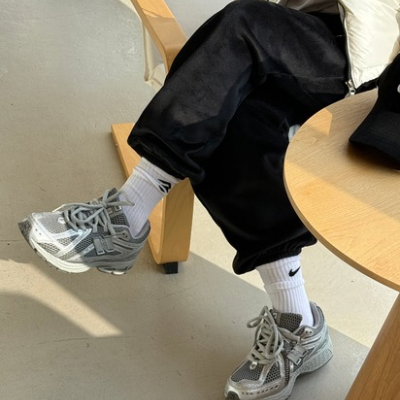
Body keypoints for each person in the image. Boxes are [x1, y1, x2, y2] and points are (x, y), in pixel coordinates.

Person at [18, 1, 399, 399]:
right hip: (320, 26)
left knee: (243, 26)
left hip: (375, 60)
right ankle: (298, 322)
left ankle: (127, 214)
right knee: (233, 110)